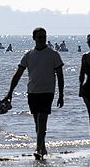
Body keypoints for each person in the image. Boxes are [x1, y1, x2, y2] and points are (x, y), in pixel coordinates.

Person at [4, 27, 64, 159]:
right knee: (37, 123)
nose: (42, 39)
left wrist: (61, 94)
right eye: (39, 37)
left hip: (47, 92)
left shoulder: (53, 55)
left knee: (42, 120)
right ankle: (43, 148)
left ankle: (38, 149)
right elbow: (18, 74)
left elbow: (60, 75)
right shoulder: (29, 55)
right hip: (32, 92)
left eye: (44, 37)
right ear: (34, 38)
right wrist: (10, 92)